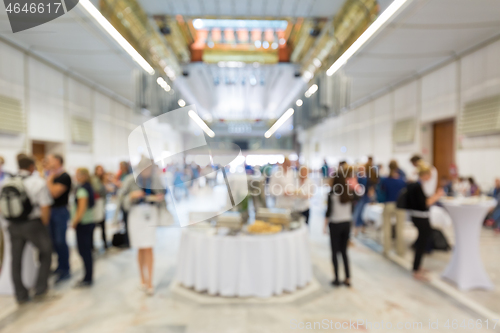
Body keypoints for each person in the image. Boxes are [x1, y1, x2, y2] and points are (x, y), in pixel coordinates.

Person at [0, 156, 53, 303]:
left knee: (15, 260)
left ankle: (20, 294)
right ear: (31, 167)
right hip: (32, 223)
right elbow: (45, 207)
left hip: (12, 225)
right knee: (46, 252)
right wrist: (44, 225)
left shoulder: (6, 182)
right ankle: (40, 288)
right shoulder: (37, 182)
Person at [118, 157, 165, 295]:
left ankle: (150, 281)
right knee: (140, 247)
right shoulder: (129, 180)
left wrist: (159, 198)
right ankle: (143, 280)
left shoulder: (155, 179)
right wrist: (132, 196)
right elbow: (121, 199)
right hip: (136, 215)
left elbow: (163, 193)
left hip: (150, 214)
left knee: (149, 247)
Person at [405, 162, 445, 281]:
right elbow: (424, 204)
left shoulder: (417, 185)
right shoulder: (417, 187)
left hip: (419, 216)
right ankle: (416, 269)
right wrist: (437, 196)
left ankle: (417, 266)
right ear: (424, 175)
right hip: (420, 217)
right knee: (421, 243)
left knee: (422, 242)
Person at [324, 166, 357, 287]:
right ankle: (348, 278)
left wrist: (324, 225)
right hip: (346, 224)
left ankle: (337, 278)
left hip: (335, 224)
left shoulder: (332, 193)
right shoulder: (349, 192)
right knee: (344, 252)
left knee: (334, 252)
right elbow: (352, 209)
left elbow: (328, 212)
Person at [46, 154, 72, 283]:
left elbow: (54, 193)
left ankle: (65, 269)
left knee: (61, 241)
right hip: (50, 211)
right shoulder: (51, 175)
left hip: (60, 212)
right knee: (53, 242)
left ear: (57, 161)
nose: (48, 162)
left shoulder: (64, 176)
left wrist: (49, 181)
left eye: (50, 160)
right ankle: (59, 266)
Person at [71, 168, 96, 287]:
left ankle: (88, 278)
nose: (76, 177)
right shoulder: (87, 187)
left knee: (84, 251)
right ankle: (88, 276)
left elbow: (81, 208)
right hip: (88, 222)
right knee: (86, 251)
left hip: (84, 224)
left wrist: (75, 222)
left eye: (78, 175)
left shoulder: (82, 190)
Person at [380, 160, 407, 257]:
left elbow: (382, 190)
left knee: (387, 228)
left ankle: (386, 249)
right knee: (400, 228)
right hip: (399, 205)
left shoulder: (385, 180)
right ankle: (400, 251)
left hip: (388, 204)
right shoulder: (402, 181)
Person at [91, 165, 108, 250]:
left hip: (101, 204)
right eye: (99, 170)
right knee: (95, 225)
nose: (101, 172)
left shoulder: (100, 179)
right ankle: (92, 245)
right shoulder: (95, 180)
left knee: (102, 225)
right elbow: (98, 189)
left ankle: (104, 243)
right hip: (97, 204)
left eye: (102, 170)